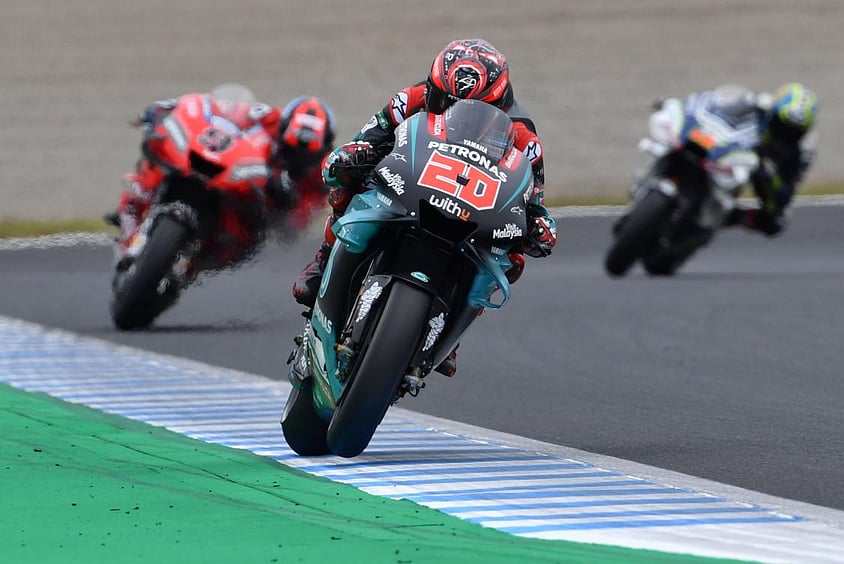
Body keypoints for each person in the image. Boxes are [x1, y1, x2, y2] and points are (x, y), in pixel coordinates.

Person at [291, 38, 558, 377]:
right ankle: (325, 258)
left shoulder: (525, 140)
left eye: (474, 107)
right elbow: (366, 138)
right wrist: (351, 156)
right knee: (348, 181)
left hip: (471, 207)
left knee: (511, 256)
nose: (453, 110)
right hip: (408, 183)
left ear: (499, 105)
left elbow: (534, 202)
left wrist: (538, 225)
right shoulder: (409, 100)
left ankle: (457, 328)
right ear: (432, 87)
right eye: (444, 100)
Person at [106, 85, 336, 266]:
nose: (296, 158)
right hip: (230, 176)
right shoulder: (270, 119)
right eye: (290, 150)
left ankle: (189, 263)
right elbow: (225, 112)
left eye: (304, 156)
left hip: (249, 212)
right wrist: (171, 109)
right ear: (285, 128)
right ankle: (132, 209)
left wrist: (289, 203)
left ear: (321, 148)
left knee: (237, 241)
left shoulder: (322, 175)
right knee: (164, 159)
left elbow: (296, 226)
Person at [724, 82, 818, 236]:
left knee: (776, 222)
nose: (784, 135)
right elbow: (712, 108)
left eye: (793, 133)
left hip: (758, 167)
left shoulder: (804, 150)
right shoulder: (758, 104)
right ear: (773, 111)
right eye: (781, 126)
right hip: (726, 147)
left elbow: (785, 194)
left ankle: (730, 217)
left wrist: (765, 173)